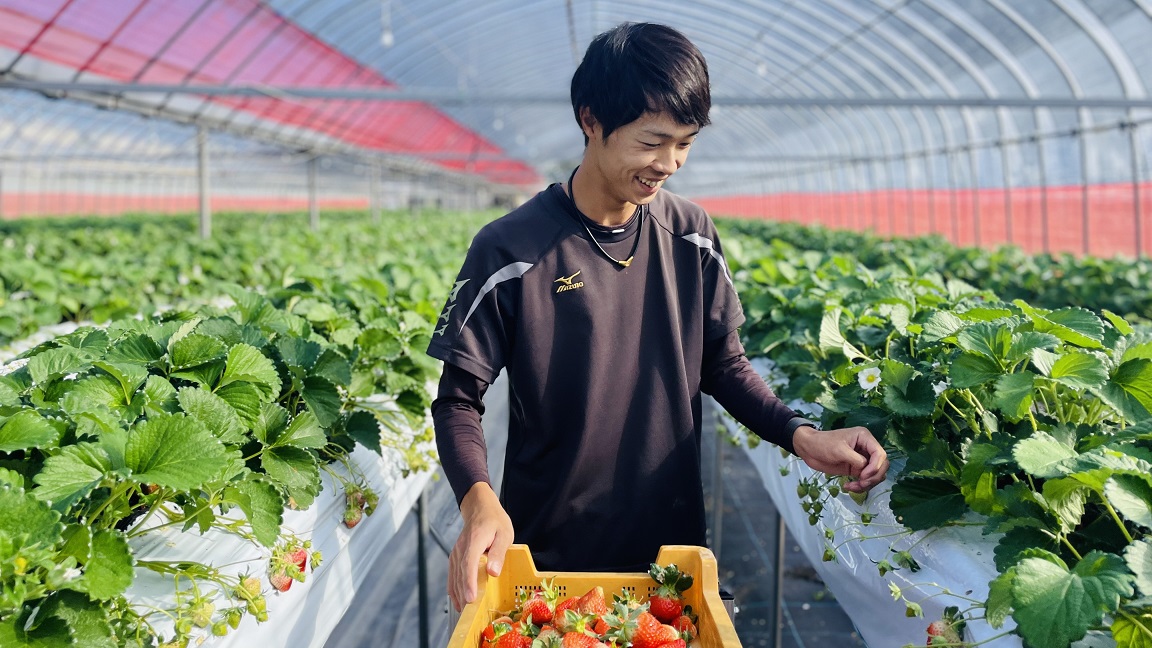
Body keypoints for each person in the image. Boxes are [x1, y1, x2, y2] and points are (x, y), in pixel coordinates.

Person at [427, 21, 889, 613]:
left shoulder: (691, 235)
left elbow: (723, 364)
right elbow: (459, 399)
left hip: (668, 560)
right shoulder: (511, 249)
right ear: (590, 120)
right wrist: (478, 500)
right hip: (544, 558)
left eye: (686, 143)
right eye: (652, 141)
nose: (669, 162)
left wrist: (801, 436)